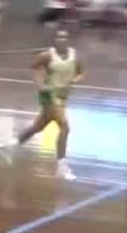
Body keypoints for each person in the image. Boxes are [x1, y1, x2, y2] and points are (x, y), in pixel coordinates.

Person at [9, 30, 83, 182]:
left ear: (68, 40)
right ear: (55, 40)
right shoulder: (47, 55)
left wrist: (75, 79)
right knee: (64, 126)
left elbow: (81, 72)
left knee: (39, 126)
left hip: (62, 97)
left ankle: (17, 142)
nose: (61, 39)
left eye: (64, 37)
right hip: (49, 95)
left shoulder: (74, 55)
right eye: (59, 37)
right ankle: (61, 166)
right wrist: (40, 85)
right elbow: (35, 67)